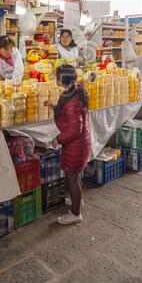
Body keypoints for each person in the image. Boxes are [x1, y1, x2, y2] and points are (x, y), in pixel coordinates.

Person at [51, 64, 92, 225]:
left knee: (72, 177)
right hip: (81, 142)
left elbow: (75, 129)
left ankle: (76, 214)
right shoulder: (77, 90)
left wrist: (58, 139)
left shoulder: (72, 101)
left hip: (76, 144)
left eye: (56, 76)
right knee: (76, 174)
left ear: (62, 79)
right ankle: (77, 200)